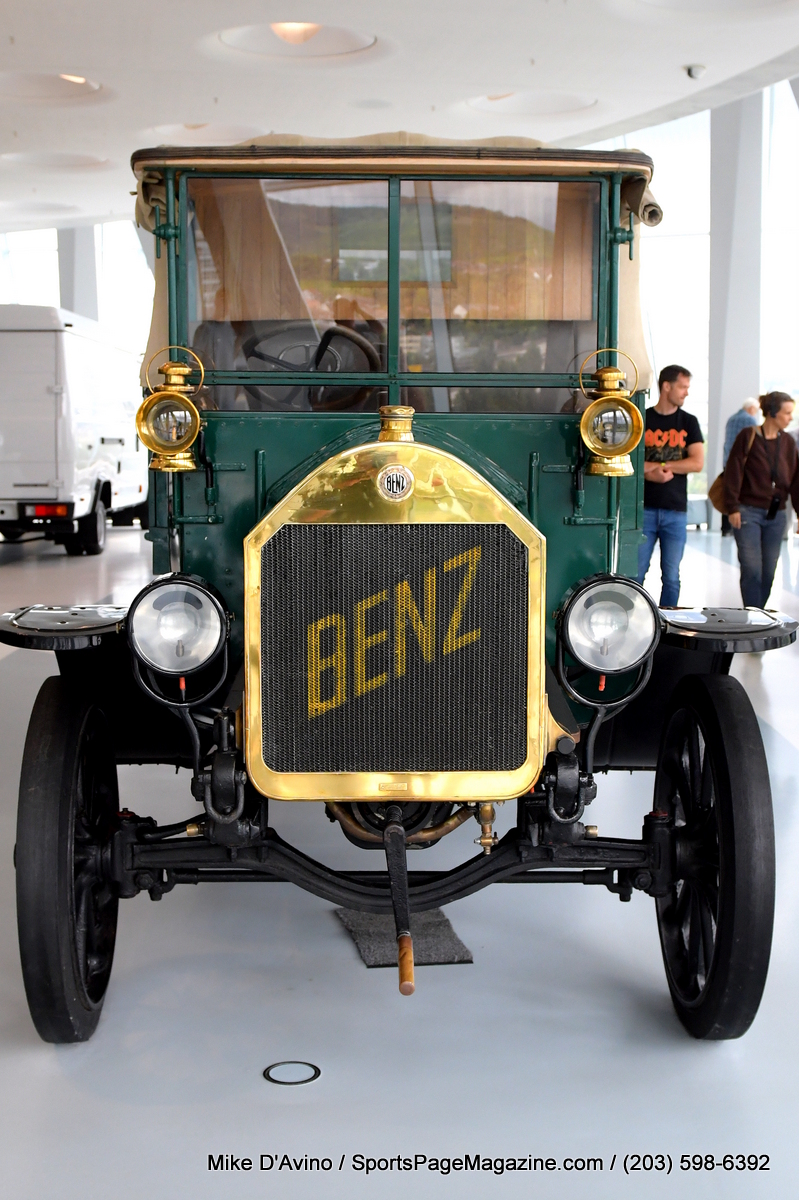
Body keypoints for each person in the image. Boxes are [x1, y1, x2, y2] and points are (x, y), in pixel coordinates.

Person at [724, 391, 799, 608]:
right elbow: (733, 472)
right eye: (787, 413)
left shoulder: (788, 442)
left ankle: (758, 612)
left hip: (777, 515)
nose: (790, 418)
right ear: (773, 413)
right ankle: (753, 616)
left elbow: (796, 480)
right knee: (752, 569)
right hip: (748, 512)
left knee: (768, 572)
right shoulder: (748, 436)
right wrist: (732, 507)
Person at [637, 364, 704, 607]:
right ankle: (632, 619)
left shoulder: (689, 422)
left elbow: (697, 463)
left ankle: (668, 620)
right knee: (636, 574)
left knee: (672, 577)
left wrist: (661, 466)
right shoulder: (642, 419)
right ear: (667, 386)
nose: (686, 392)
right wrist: (651, 475)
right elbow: (629, 462)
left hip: (675, 511)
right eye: (682, 387)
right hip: (643, 510)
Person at [721, 400, 760, 535]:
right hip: (742, 464)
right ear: (751, 408)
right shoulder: (750, 420)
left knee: (728, 493)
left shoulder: (731, 419)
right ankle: (738, 525)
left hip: (728, 461)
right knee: (740, 495)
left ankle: (725, 528)